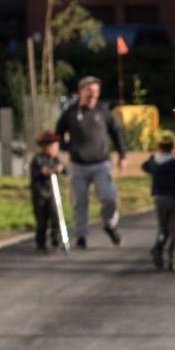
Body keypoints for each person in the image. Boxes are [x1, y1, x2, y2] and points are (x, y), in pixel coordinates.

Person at [53, 77, 127, 250]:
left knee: (109, 197)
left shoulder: (103, 111)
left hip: (101, 163)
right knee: (79, 202)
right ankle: (81, 236)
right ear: (81, 91)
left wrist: (122, 154)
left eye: (95, 91)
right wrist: (68, 147)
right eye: (89, 90)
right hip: (78, 165)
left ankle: (110, 225)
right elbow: (58, 134)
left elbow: (115, 132)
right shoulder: (71, 113)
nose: (92, 94)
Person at [142, 134, 175, 272]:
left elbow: (145, 166)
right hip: (173, 199)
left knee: (163, 228)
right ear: (172, 147)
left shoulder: (154, 161)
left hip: (159, 198)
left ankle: (158, 247)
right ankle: (173, 258)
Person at [27, 132, 67, 254]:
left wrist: (61, 169)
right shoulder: (38, 159)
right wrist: (42, 172)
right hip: (39, 194)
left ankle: (56, 238)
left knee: (56, 215)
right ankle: (41, 243)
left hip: (53, 193)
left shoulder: (55, 159)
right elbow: (35, 174)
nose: (54, 150)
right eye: (52, 147)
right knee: (42, 220)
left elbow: (64, 170)